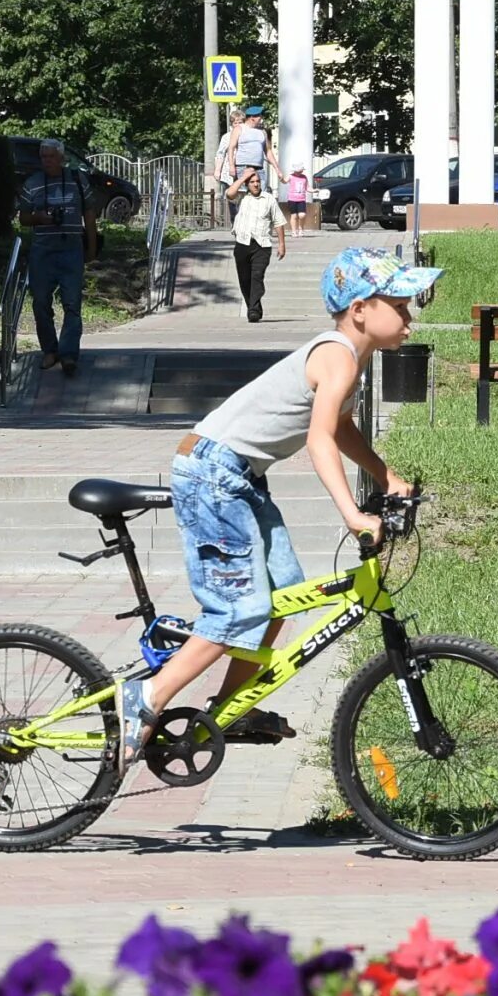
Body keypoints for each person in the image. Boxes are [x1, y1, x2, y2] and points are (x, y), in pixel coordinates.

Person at [114, 246, 440, 770]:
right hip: (213, 474)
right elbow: (319, 440)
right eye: (399, 305)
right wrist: (353, 514)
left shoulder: (348, 359)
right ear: (361, 309)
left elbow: (340, 427)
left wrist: (387, 477)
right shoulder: (336, 354)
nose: (409, 317)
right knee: (239, 608)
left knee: (284, 597)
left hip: (238, 478)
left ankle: (228, 709)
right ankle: (147, 697)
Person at [17, 139, 97, 375]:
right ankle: (50, 351)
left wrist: (91, 248)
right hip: (43, 250)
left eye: (51, 157)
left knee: (72, 303)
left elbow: (90, 215)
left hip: (71, 249)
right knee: (41, 302)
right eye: (43, 157)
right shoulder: (33, 184)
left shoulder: (77, 180)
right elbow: (23, 218)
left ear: (62, 158)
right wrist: (39, 217)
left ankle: (69, 354)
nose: (47, 161)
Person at [231, 170, 288, 322]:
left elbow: (278, 222)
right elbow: (229, 194)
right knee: (244, 279)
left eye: (257, 181)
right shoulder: (242, 198)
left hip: (262, 245)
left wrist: (282, 244)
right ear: (246, 185)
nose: (256, 184)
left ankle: (254, 310)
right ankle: (253, 306)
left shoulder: (269, 199)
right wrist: (243, 177)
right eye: (252, 182)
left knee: (257, 276)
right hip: (242, 243)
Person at [229, 105, 278, 192]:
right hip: (243, 167)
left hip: (259, 167)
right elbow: (231, 148)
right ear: (252, 118)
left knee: (262, 192)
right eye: (259, 116)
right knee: (244, 193)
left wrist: (277, 169)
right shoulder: (239, 129)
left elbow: (268, 151)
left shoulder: (262, 132)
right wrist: (232, 166)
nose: (261, 118)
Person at [283, 163, 310, 236]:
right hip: (292, 199)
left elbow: (307, 188)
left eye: (301, 171)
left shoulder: (304, 177)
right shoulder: (291, 176)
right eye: (298, 171)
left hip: (301, 199)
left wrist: (314, 190)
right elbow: (284, 181)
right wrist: (281, 178)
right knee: (294, 215)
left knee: (302, 215)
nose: (299, 173)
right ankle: (294, 231)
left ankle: (301, 228)